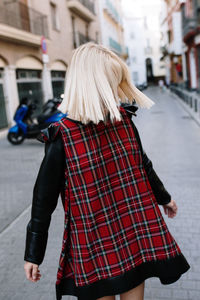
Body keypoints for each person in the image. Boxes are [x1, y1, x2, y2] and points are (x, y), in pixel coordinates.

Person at [24, 43, 190, 300]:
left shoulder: (124, 121)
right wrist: (33, 254)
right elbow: (42, 200)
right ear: (90, 86)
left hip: (133, 225)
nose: (115, 92)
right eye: (109, 85)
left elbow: (142, 164)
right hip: (92, 238)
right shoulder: (63, 136)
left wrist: (164, 197)